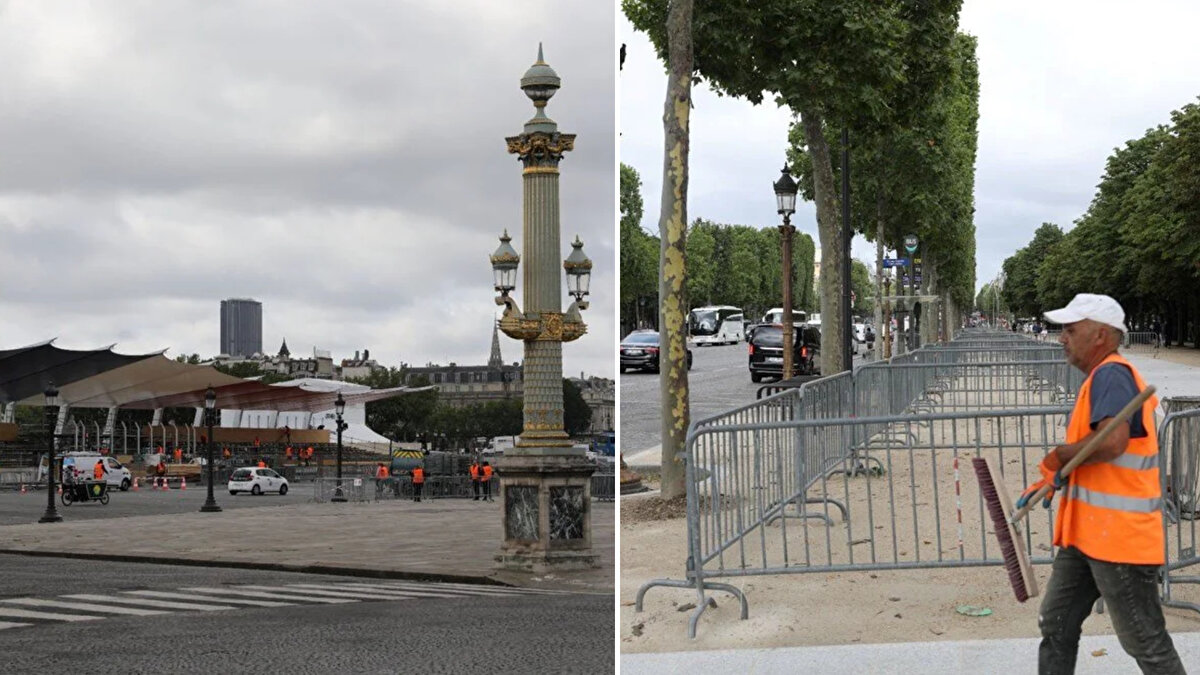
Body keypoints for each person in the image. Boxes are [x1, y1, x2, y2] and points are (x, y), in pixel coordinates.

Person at [1018, 293, 1184, 674]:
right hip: (1088, 536)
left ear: (1100, 335)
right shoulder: (1101, 378)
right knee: (1056, 622)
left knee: (1146, 642)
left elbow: (1112, 441)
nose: (1062, 338)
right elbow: (1098, 454)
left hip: (1118, 540)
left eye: (1070, 330)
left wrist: (1061, 456)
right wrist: (1060, 472)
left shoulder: (1112, 374)